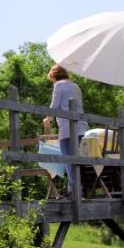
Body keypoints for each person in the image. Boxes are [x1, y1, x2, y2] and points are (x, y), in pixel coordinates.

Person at [42, 65, 87, 195]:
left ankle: (76, 191)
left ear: (54, 76)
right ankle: (71, 190)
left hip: (68, 128)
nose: (53, 83)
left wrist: (47, 119)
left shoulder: (59, 85)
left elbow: (54, 106)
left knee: (68, 159)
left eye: (52, 80)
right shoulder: (76, 86)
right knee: (75, 160)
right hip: (81, 126)